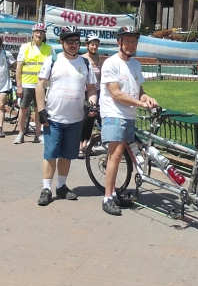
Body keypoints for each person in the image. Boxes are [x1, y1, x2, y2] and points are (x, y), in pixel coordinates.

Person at [35, 26, 97, 205]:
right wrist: (41, 110)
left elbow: (91, 89)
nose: (73, 45)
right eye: (69, 41)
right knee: (50, 154)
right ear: (62, 42)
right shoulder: (53, 60)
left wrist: (92, 102)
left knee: (67, 155)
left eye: (76, 41)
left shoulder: (85, 63)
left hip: (75, 119)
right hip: (53, 118)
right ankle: (46, 189)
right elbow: (40, 85)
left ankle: (61, 186)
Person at [100, 26, 157, 216]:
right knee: (115, 154)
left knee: (123, 153)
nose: (131, 45)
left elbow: (139, 91)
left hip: (129, 114)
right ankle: (108, 198)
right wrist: (139, 104)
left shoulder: (135, 65)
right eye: (128, 41)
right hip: (114, 113)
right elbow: (115, 93)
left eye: (134, 42)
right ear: (119, 42)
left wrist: (147, 98)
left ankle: (114, 193)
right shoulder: (111, 63)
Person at [14, 22, 52, 144]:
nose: (39, 35)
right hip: (27, 84)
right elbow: (19, 68)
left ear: (44, 35)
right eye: (37, 32)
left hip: (41, 85)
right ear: (33, 33)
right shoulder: (25, 47)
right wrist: (19, 86)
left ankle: (37, 134)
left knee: (39, 110)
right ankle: (20, 133)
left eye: (41, 33)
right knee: (23, 109)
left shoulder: (48, 49)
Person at [79, 33, 104, 157]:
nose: (94, 47)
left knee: (91, 119)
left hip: (97, 93)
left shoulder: (100, 59)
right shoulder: (82, 58)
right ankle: (79, 145)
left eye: (96, 45)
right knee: (84, 118)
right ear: (87, 45)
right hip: (84, 92)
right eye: (92, 44)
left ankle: (86, 144)